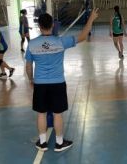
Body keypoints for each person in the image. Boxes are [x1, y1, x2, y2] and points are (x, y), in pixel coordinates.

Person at [25, 8, 98, 152]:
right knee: (58, 114)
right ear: (52, 25)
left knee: (41, 114)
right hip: (58, 83)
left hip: (40, 84)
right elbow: (83, 36)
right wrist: (91, 19)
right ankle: (59, 143)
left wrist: (31, 80)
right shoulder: (60, 42)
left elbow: (28, 66)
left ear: (39, 26)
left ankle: (43, 143)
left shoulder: (32, 44)